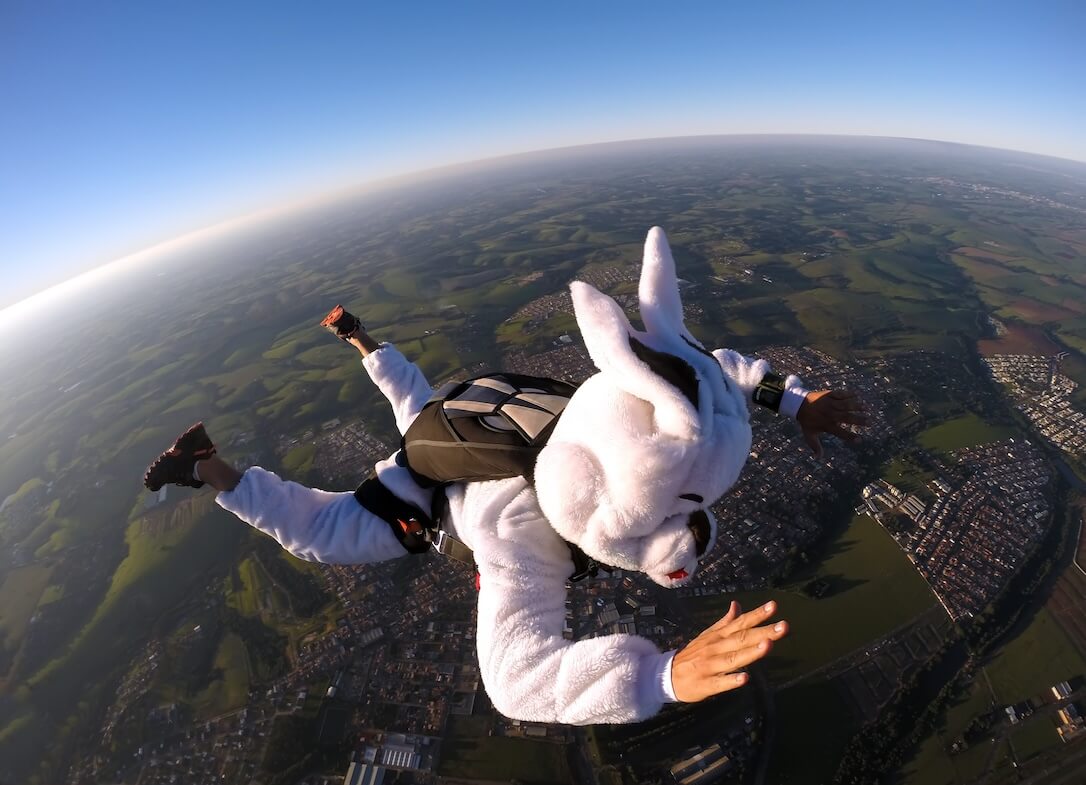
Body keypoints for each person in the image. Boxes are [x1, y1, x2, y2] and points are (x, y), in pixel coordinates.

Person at [144, 228, 867, 725]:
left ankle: (318, 371)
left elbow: (708, 377)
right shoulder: (524, 542)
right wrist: (658, 677)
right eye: (678, 518)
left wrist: (794, 399)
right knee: (318, 532)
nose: (681, 537)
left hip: (467, 431)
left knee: (410, 410)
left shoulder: (625, 402)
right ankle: (210, 468)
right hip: (427, 495)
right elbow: (518, 683)